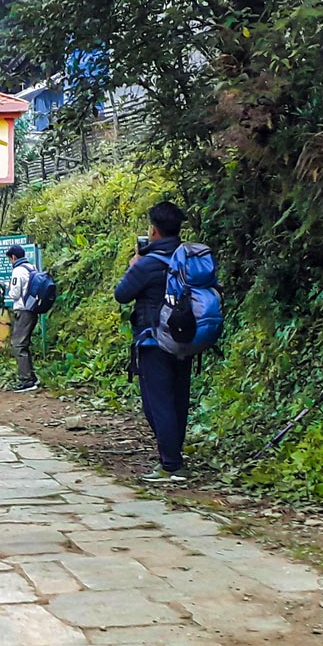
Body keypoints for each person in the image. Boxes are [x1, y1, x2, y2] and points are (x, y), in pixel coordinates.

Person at [114, 201, 191, 483]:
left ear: (154, 231)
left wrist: (133, 265)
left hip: (153, 340)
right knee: (178, 399)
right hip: (186, 338)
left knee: (157, 403)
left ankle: (171, 464)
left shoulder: (147, 264)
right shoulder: (188, 258)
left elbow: (122, 294)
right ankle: (174, 455)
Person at [6, 244, 40, 392]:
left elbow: (14, 294)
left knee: (18, 345)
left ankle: (27, 380)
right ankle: (31, 377)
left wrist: (7, 287)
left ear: (13, 257)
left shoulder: (18, 270)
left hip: (23, 310)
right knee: (24, 344)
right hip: (32, 309)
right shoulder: (31, 267)